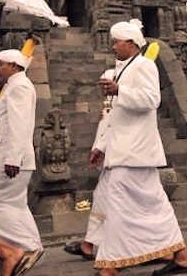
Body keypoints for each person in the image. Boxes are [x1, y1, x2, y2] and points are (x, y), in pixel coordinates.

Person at [90, 19, 187, 276]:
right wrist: (101, 145)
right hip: (124, 149)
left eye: (116, 41)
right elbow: (115, 114)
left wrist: (119, 90)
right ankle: (181, 256)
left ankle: (110, 266)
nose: (112, 46)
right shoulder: (122, 70)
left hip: (135, 149)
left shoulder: (145, 65)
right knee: (147, 204)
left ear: (131, 43)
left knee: (121, 203)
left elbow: (152, 100)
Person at [0, 49, 43, 276]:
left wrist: (13, 157)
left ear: (14, 65)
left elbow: (19, 124)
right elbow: (1, 117)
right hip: (4, 155)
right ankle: (24, 248)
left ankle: (17, 249)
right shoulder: (12, 86)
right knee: (15, 205)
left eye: (2, 64)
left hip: (8, 157)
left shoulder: (20, 86)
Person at [63, 68, 116, 260]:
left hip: (120, 159)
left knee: (112, 202)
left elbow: (114, 128)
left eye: (106, 84)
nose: (103, 88)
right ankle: (89, 243)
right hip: (111, 159)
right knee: (103, 200)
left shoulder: (119, 102)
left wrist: (99, 148)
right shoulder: (109, 102)